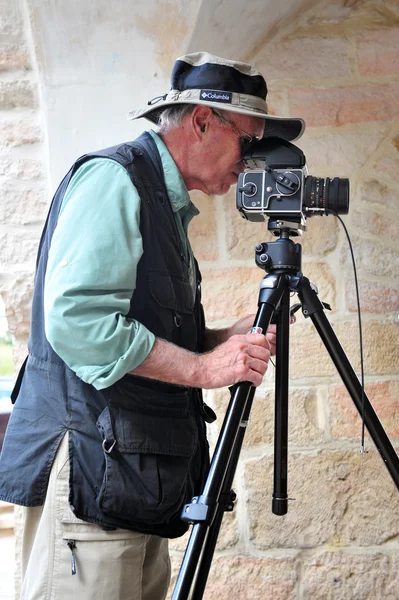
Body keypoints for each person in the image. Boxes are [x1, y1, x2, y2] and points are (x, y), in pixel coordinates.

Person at [0, 52, 304, 599]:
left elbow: (145, 330)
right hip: (93, 480)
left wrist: (221, 340)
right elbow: (78, 320)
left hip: (132, 480)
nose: (252, 160)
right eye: (248, 141)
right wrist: (204, 367)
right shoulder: (114, 179)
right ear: (203, 121)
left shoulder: (165, 203)